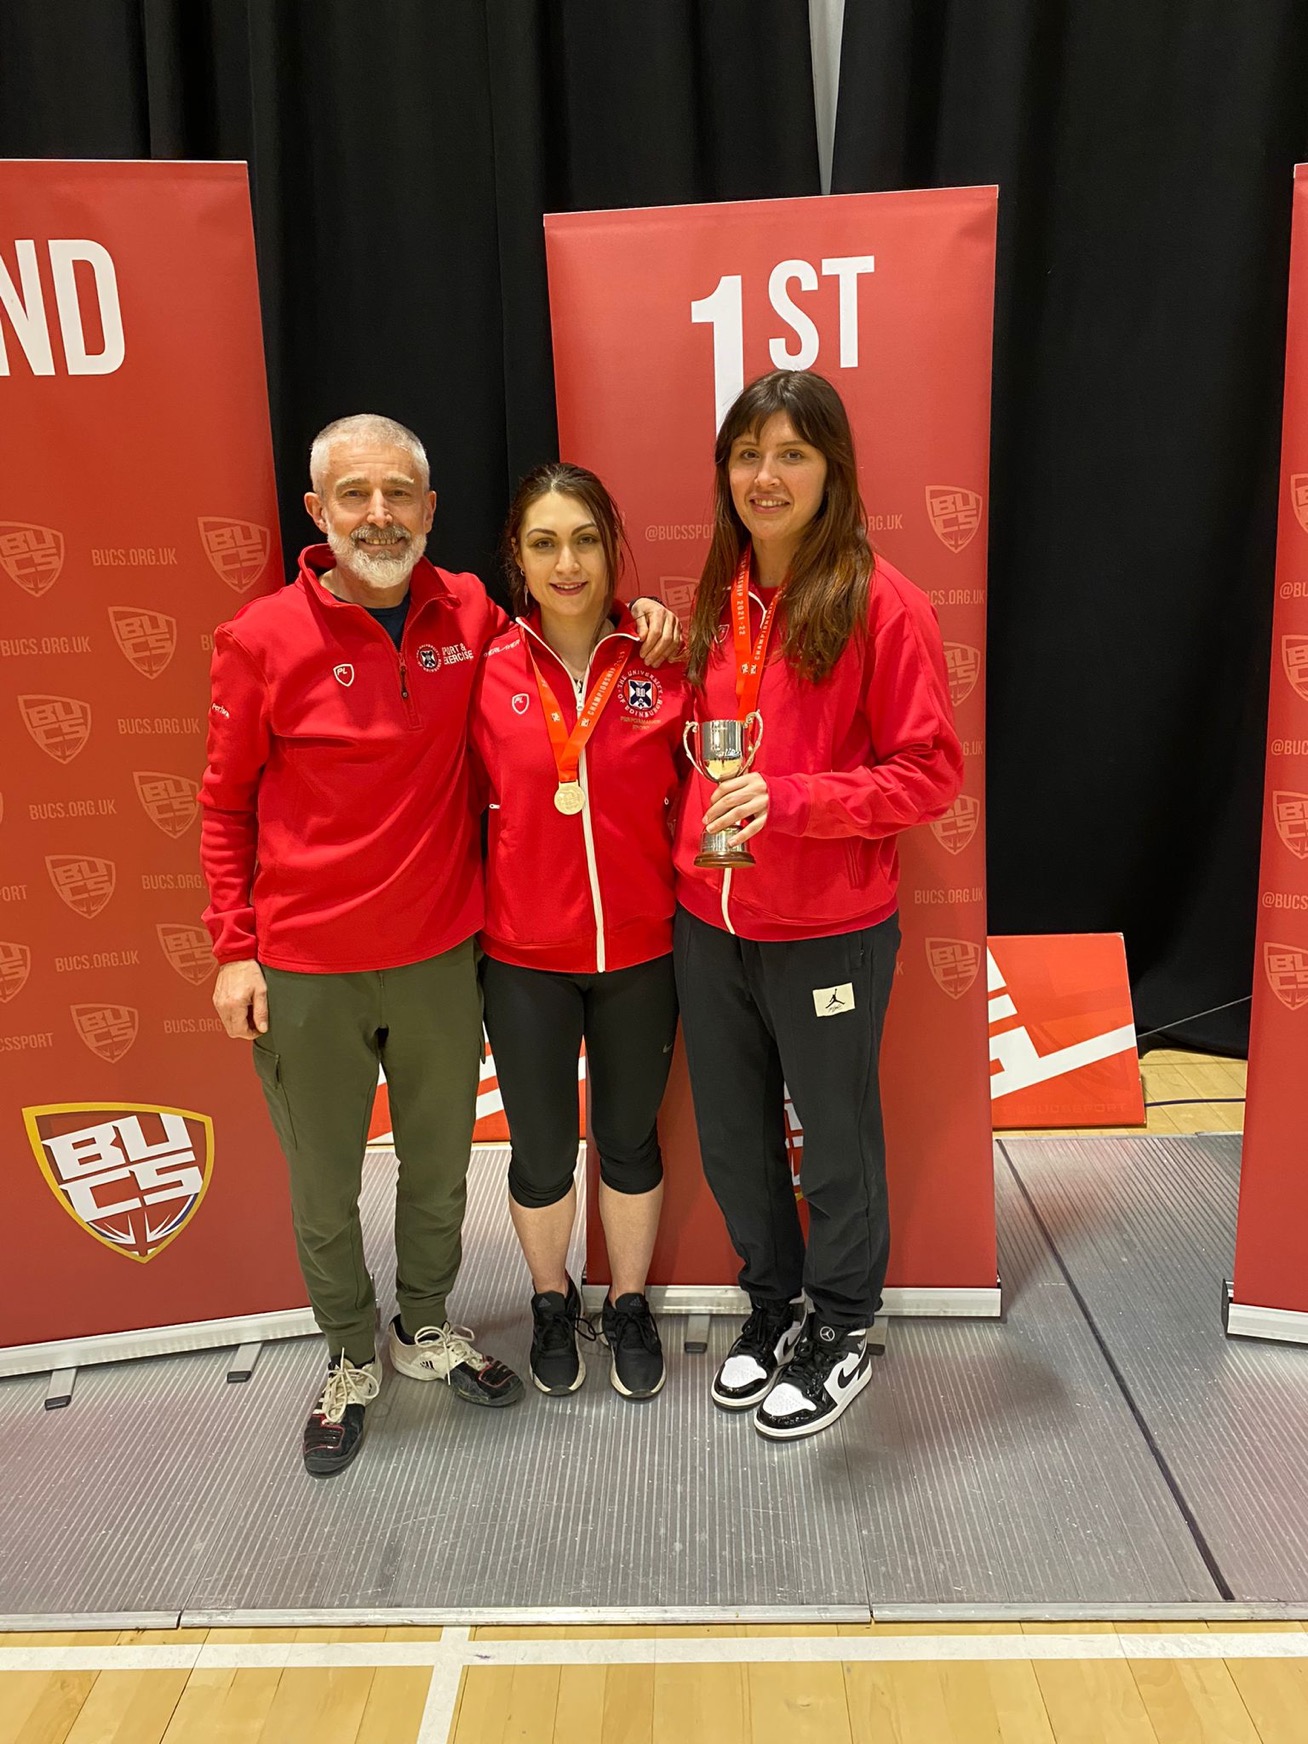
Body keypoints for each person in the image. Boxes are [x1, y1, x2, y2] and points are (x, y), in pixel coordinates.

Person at [200, 414, 679, 1476]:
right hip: (305, 967)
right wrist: (235, 946)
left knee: (438, 1171)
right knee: (325, 1184)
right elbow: (224, 805)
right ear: (316, 512)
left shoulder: (466, 613)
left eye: (400, 495)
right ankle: (346, 1354)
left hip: (439, 957)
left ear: (431, 511)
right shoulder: (261, 638)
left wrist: (652, 618)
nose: (380, 514)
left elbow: (591, 638)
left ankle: (422, 1329)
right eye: (355, 495)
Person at [673, 370, 963, 1442]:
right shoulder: (716, 597)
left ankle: (842, 1326)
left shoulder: (886, 603)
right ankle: (771, 1308)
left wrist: (792, 801)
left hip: (829, 928)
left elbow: (930, 773)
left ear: (833, 468)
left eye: (791, 452)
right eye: (748, 454)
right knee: (734, 1139)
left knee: (831, 1143)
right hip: (710, 923)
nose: (766, 474)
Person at [471, 463, 686, 1401]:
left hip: (644, 950)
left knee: (630, 1140)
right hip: (525, 959)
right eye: (545, 542)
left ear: (613, 548)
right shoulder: (482, 672)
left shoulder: (660, 662)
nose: (568, 562)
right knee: (541, 1148)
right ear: (517, 559)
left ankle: (627, 1300)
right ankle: (552, 1296)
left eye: (586, 540)